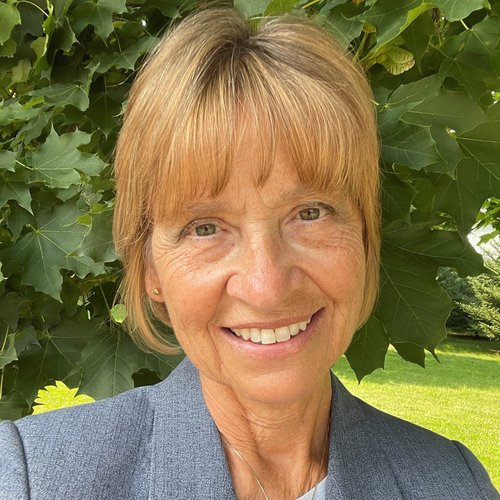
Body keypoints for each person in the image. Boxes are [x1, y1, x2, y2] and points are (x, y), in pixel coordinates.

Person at [0, 7, 497, 500]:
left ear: (366, 236)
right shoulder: (33, 480)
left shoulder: (457, 484)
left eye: (310, 213)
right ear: (150, 267)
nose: (266, 286)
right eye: (205, 228)